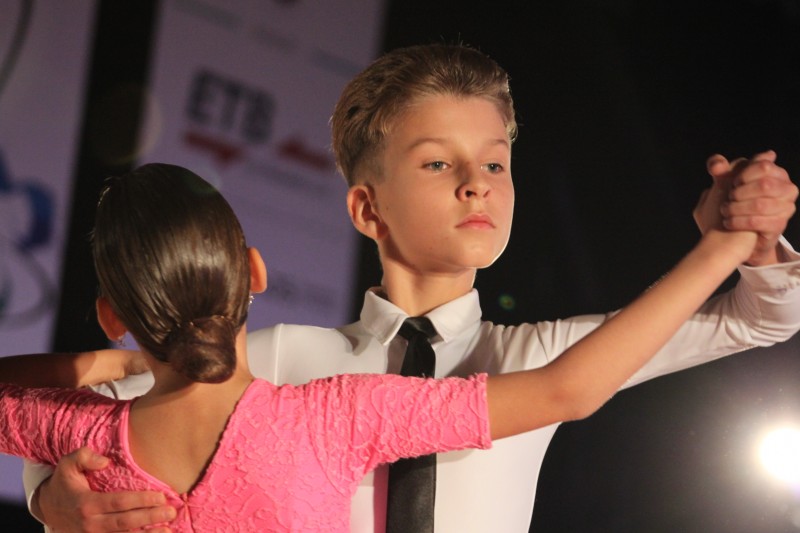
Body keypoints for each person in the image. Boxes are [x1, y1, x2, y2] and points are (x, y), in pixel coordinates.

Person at [24, 43, 800, 533]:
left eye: (494, 163)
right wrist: (49, 499)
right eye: (437, 162)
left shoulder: (542, 355)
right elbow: (85, 416)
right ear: (367, 208)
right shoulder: (282, 359)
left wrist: (754, 239)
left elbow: (759, 319)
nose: (476, 184)